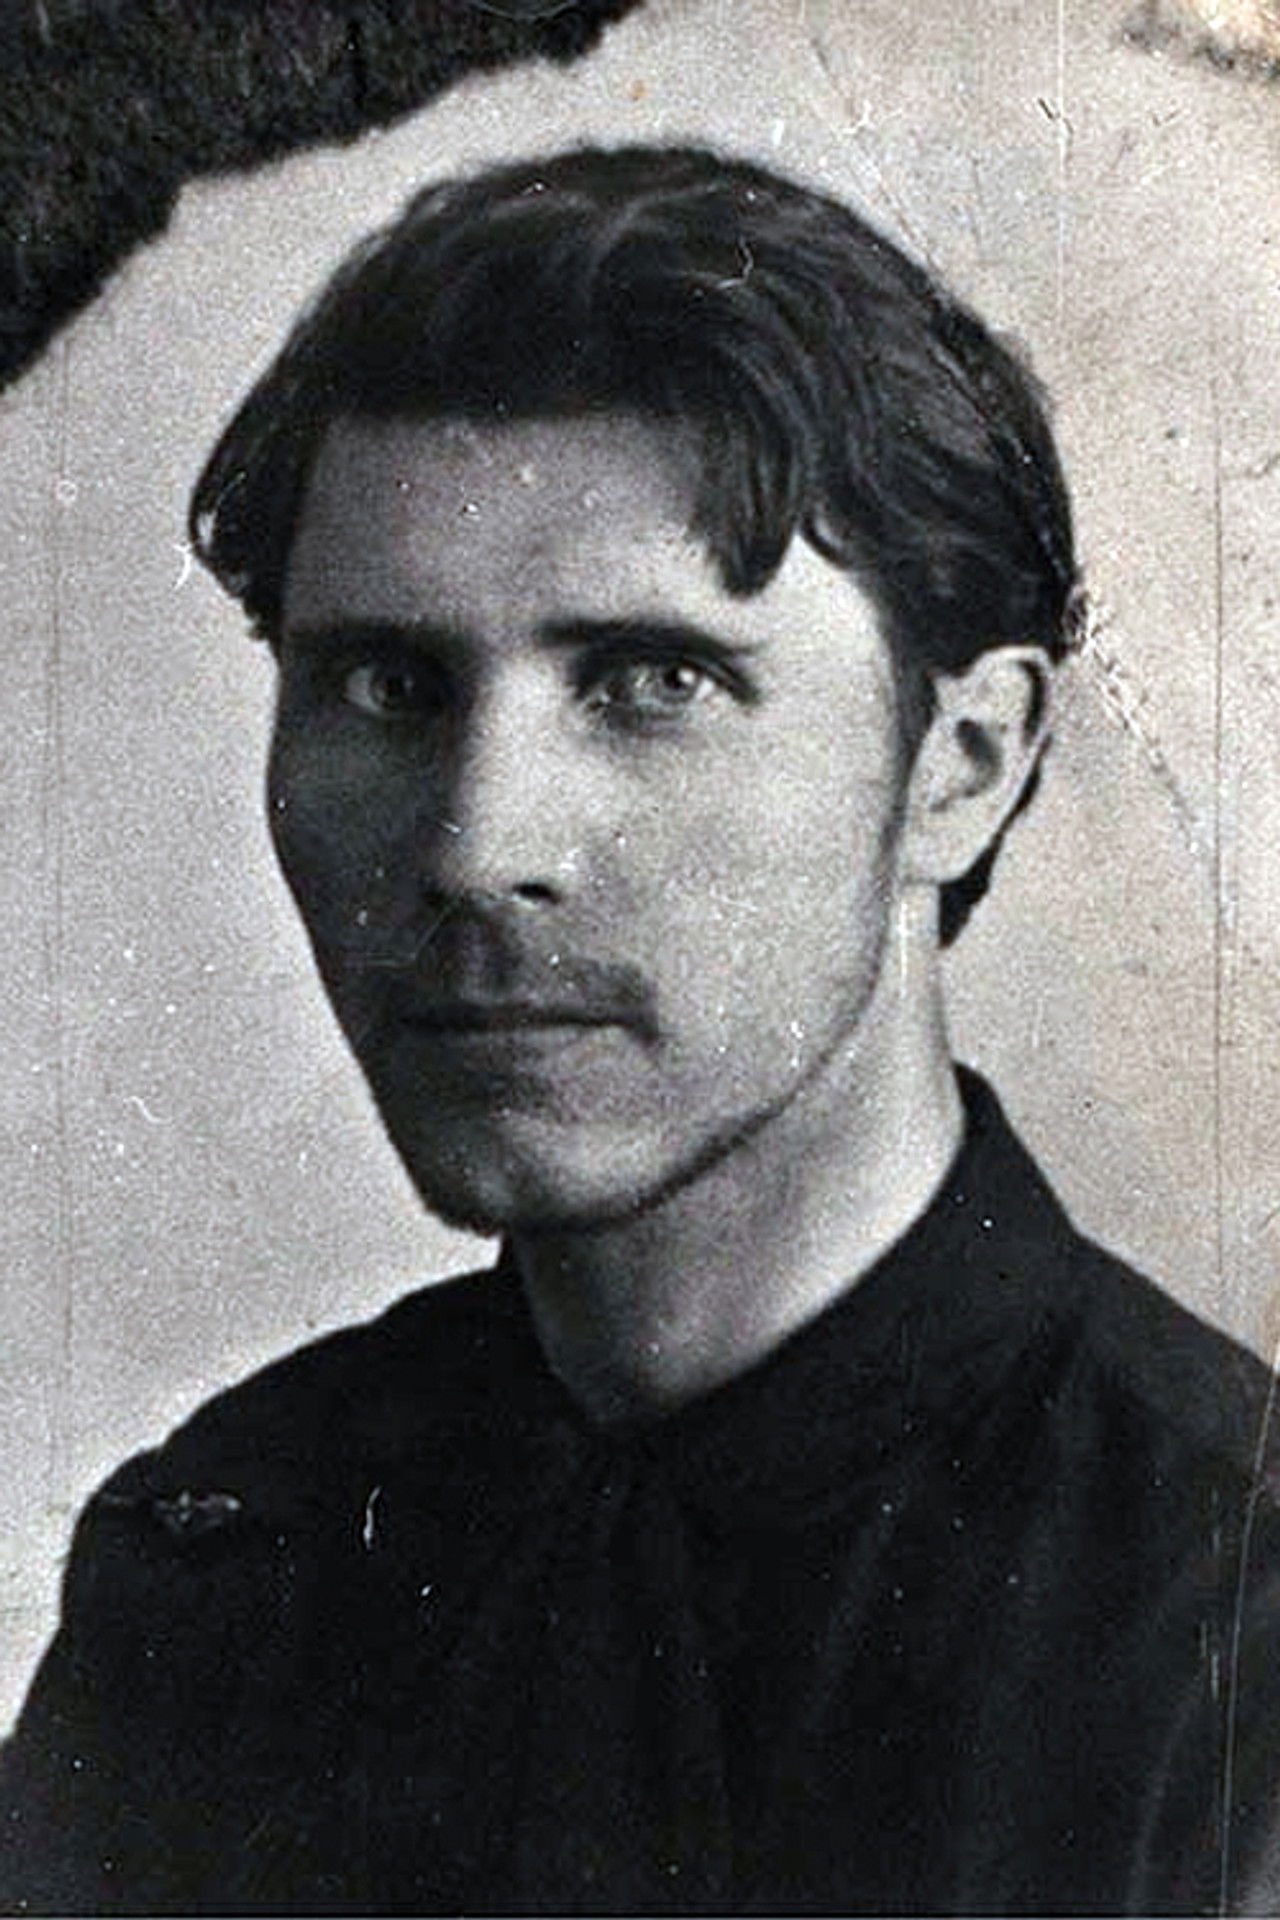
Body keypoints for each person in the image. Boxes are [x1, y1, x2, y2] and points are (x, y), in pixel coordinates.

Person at [2, 143, 1279, 1916]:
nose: (475, 846)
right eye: (386, 684)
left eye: (653, 681)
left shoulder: (1232, 1636)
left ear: (962, 768)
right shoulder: (216, 1553)